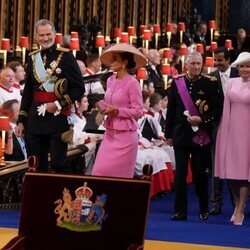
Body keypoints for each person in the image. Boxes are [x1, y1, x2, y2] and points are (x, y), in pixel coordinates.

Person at [15, 19, 85, 172]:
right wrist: (21, 120)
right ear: (36, 36)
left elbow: (79, 88)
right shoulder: (32, 58)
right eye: (41, 35)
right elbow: (28, 93)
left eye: (48, 34)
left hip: (58, 118)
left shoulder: (66, 57)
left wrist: (58, 104)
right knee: (36, 164)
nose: (45, 38)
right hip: (35, 119)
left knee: (58, 164)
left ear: (54, 34)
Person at [165, 51, 223, 221]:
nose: (196, 67)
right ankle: (180, 211)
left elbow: (217, 110)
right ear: (186, 65)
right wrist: (168, 134)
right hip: (181, 136)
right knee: (180, 176)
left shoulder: (210, 83)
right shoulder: (177, 83)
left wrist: (202, 120)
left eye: (199, 63)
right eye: (193, 64)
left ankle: (204, 208)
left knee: (200, 175)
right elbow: (171, 111)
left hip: (201, 137)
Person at [92, 43, 147, 178]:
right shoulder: (110, 80)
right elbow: (110, 102)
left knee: (120, 179)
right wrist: (102, 107)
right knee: (98, 172)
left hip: (126, 138)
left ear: (125, 62)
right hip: (110, 133)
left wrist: (117, 110)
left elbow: (139, 111)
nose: (111, 62)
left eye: (115, 58)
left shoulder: (133, 83)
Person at [215, 52, 250, 226]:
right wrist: (224, 131)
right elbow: (226, 108)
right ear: (237, 68)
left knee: (244, 173)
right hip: (230, 130)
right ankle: (237, 204)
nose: (245, 69)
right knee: (231, 172)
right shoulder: (231, 82)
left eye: (248, 66)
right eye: (242, 66)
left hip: (248, 133)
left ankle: (241, 209)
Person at [209, 46, 239, 215]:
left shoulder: (240, 75)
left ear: (228, 60)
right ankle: (215, 203)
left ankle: (237, 202)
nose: (217, 63)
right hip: (217, 127)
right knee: (216, 166)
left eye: (220, 60)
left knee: (236, 165)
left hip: (238, 127)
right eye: (215, 60)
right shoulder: (210, 78)